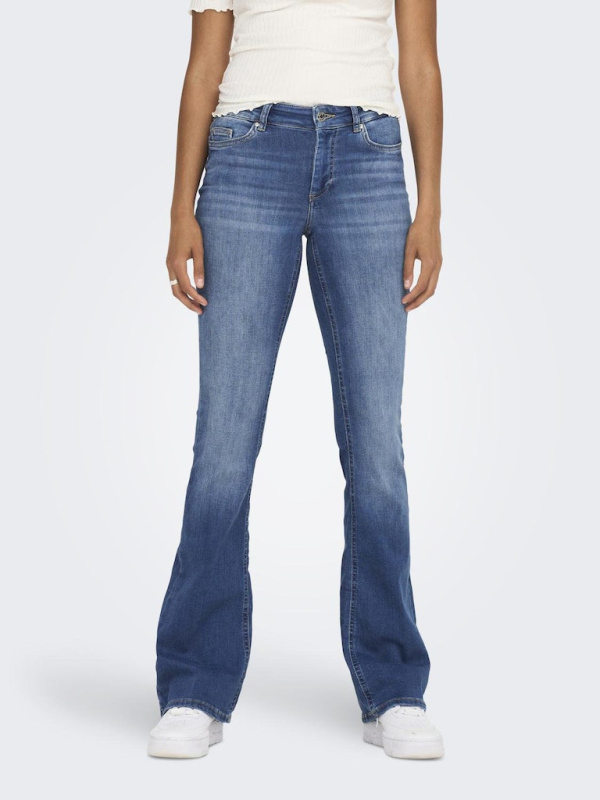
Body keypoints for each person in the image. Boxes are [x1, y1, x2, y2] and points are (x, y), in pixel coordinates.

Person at [148, 0, 444, 760]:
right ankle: (194, 688)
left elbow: (418, 62)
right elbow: (205, 66)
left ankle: (394, 688)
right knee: (224, 443)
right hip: (246, 155)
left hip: (370, 158)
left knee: (377, 447)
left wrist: (431, 209)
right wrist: (180, 209)